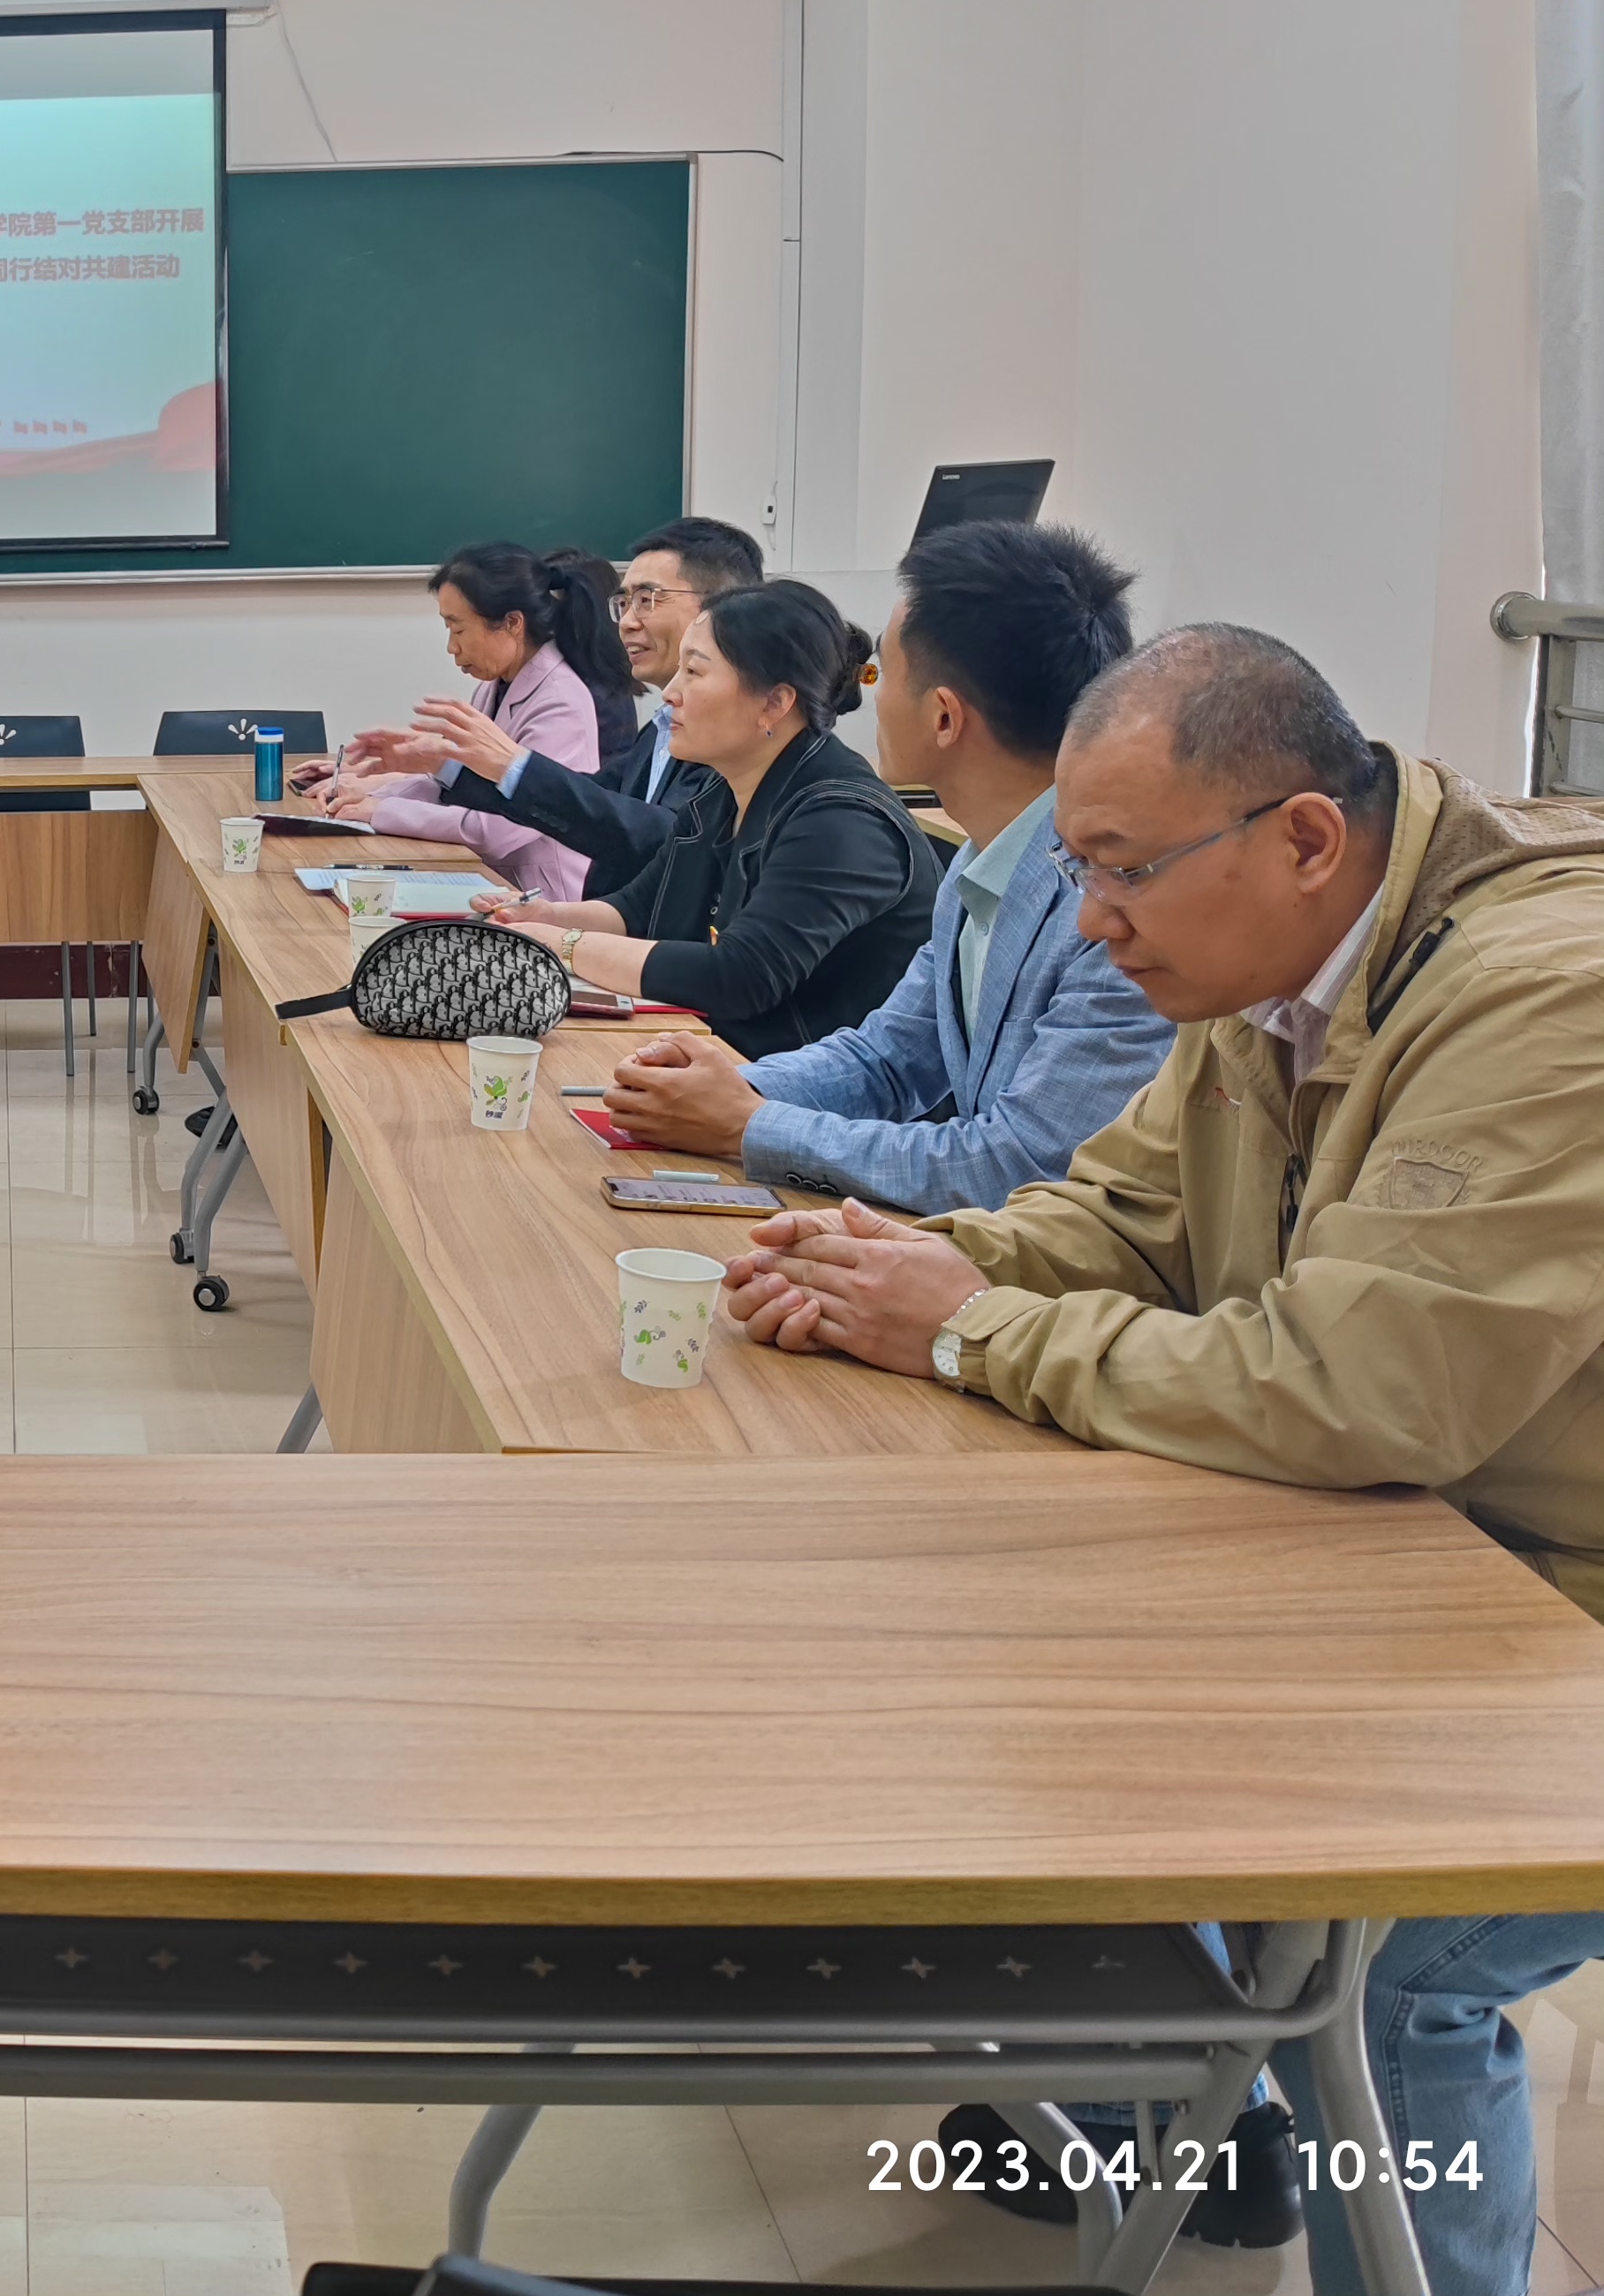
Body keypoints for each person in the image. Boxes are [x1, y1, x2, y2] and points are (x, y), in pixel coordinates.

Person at [717, 624, 1604, 2296]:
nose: (1093, 920)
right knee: (1069, 1709)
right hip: (1442, 1551)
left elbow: (1364, 1391)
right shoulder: (1276, 962)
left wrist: (972, 1331)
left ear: (1306, 838)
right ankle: (1164, 2120)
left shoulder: (1549, 997)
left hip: (1549, 1595)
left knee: (1390, 1972)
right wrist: (902, 1267)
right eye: (1079, 871)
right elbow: (1124, 1216)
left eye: (1124, 871)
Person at [598, 521, 1175, 1211]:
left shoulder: (1111, 908)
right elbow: (889, 1058)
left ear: (944, 718)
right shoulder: (981, 860)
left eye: (883, 676)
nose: (867, 696)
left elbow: (1020, 1166)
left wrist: (749, 1123)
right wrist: (731, 1087)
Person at [481, 580, 936, 1059]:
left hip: (813, 1091)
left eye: (694, 672)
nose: (670, 694)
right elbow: (637, 910)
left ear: (774, 703)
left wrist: (563, 944)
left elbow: (741, 977)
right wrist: (545, 918)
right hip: (731, 1063)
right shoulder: (724, 789)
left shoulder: (840, 820)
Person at [412, 515, 767, 891]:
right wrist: (448, 766)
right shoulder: (662, 726)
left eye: (647, 600)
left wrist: (512, 764)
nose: (627, 622)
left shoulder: (739, 732)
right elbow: (590, 798)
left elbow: (665, 835)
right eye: (625, 603)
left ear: (720, 608)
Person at [300, 544, 631, 900]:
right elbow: (451, 785)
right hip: (490, 880)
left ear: (513, 623)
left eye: (457, 630)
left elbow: (498, 830)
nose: (451, 647)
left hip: (542, 897)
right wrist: (368, 796)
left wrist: (381, 811)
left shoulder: (561, 702)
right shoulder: (493, 686)